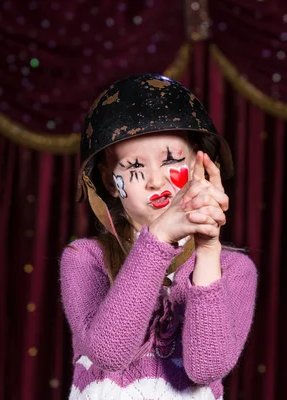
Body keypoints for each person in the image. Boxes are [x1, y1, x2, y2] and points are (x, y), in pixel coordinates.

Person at [60, 74, 257, 399]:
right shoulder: (85, 258)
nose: (155, 181)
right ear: (111, 184)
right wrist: (160, 237)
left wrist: (207, 249)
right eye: (135, 167)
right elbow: (108, 353)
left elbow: (206, 368)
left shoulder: (235, 269)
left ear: (200, 165)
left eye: (171, 160)